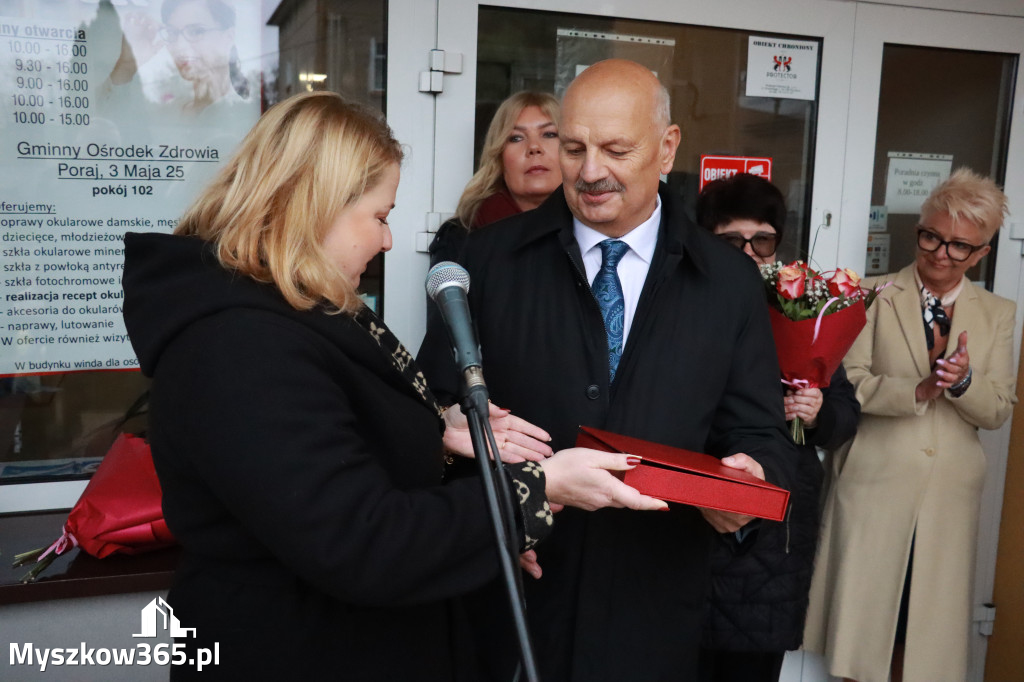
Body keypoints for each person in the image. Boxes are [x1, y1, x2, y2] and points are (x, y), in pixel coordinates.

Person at [120, 91, 667, 681]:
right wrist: (531, 492)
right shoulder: (236, 345)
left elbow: (331, 450)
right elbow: (359, 539)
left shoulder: (298, 311)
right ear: (315, 207)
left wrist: (440, 437)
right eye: (380, 216)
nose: (386, 241)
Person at [418, 59, 798, 682]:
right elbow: (432, 412)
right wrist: (482, 513)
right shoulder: (490, 260)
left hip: (653, 606)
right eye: (574, 148)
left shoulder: (727, 281)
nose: (590, 171)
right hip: (516, 598)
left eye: (616, 149)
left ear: (667, 148)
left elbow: (759, 434)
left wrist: (750, 482)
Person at [803, 168, 1017, 682]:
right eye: (931, 236)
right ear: (918, 230)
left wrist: (963, 383)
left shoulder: (998, 313)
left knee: (923, 637)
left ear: (982, 253)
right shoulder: (870, 293)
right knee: (863, 628)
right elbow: (847, 382)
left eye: (960, 246)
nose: (941, 253)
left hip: (949, 496)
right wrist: (916, 390)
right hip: (873, 483)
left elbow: (999, 409)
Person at [695, 173, 860, 682]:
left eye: (761, 240)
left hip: (777, 531)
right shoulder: (687, 307)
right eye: (732, 240)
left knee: (752, 664)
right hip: (704, 512)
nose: (749, 252)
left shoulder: (803, 311)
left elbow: (845, 415)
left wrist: (817, 413)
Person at [428, 91, 561, 266]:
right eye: (516, 138)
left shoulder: (596, 233)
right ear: (499, 157)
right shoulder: (460, 238)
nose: (534, 147)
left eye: (549, 134)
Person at [107, 0, 249, 115]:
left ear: (229, 37)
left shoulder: (247, 114)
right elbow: (103, 113)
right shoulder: (166, 114)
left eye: (197, 31)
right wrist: (128, 64)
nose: (179, 46)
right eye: (172, 33)